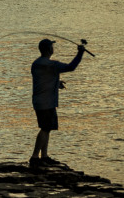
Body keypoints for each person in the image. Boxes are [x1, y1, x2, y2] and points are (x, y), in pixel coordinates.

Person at [30, 38, 85, 168]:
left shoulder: (36, 63)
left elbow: (43, 79)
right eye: (51, 47)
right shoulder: (51, 65)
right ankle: (34, 157)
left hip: (39, 101)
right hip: (46, 102)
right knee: (45, 129)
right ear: (49, 49)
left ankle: (44, 156)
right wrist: (80, 53)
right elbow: (71, 67)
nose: (53, 49)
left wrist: (56, 84)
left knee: (47, 129)